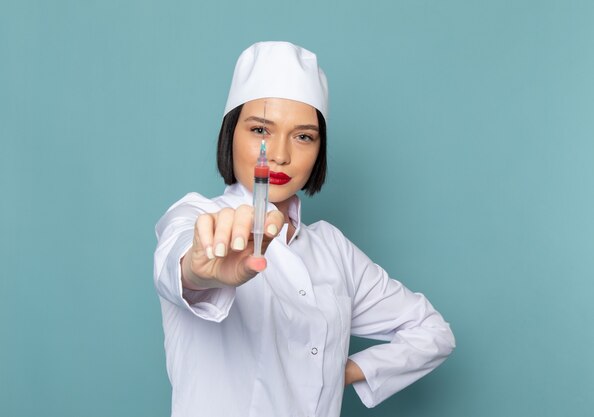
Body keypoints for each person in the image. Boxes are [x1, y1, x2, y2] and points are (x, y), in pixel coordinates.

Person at [153, 41, 455, 417]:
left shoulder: (333, 250)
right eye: (261, 129)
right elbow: (177, 265)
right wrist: (200, 269)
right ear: (230, 134)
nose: (279, 154)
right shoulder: (198, 215)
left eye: (303, 136)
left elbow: (433, 332)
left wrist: (339, 371)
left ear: (319, 149)